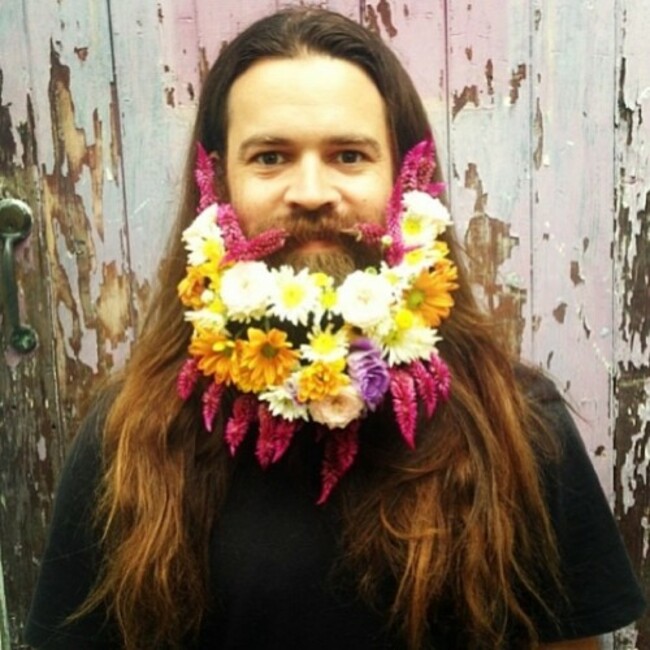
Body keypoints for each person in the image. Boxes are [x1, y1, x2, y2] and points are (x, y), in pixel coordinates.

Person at [25, 7, 644, 650]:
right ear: (218, 187)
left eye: (349, 154)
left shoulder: (518, 423)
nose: (313, 192)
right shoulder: (129, 436)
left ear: (406, 180)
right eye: (271, 157)